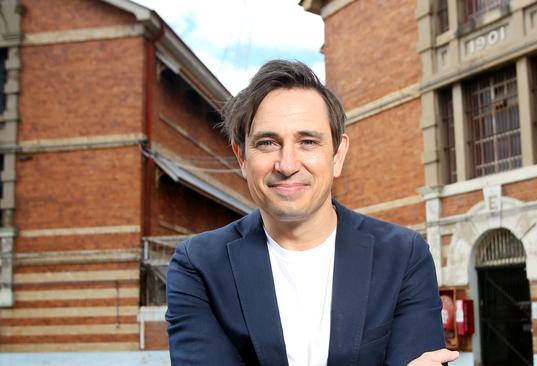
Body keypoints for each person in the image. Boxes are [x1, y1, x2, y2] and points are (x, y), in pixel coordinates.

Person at [166, 59, 459, 366]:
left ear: (337, 154)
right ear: (242, 157)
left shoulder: (403, 256)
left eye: (307, 142)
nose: (288, 164)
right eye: (267, 143)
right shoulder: (198, 266)